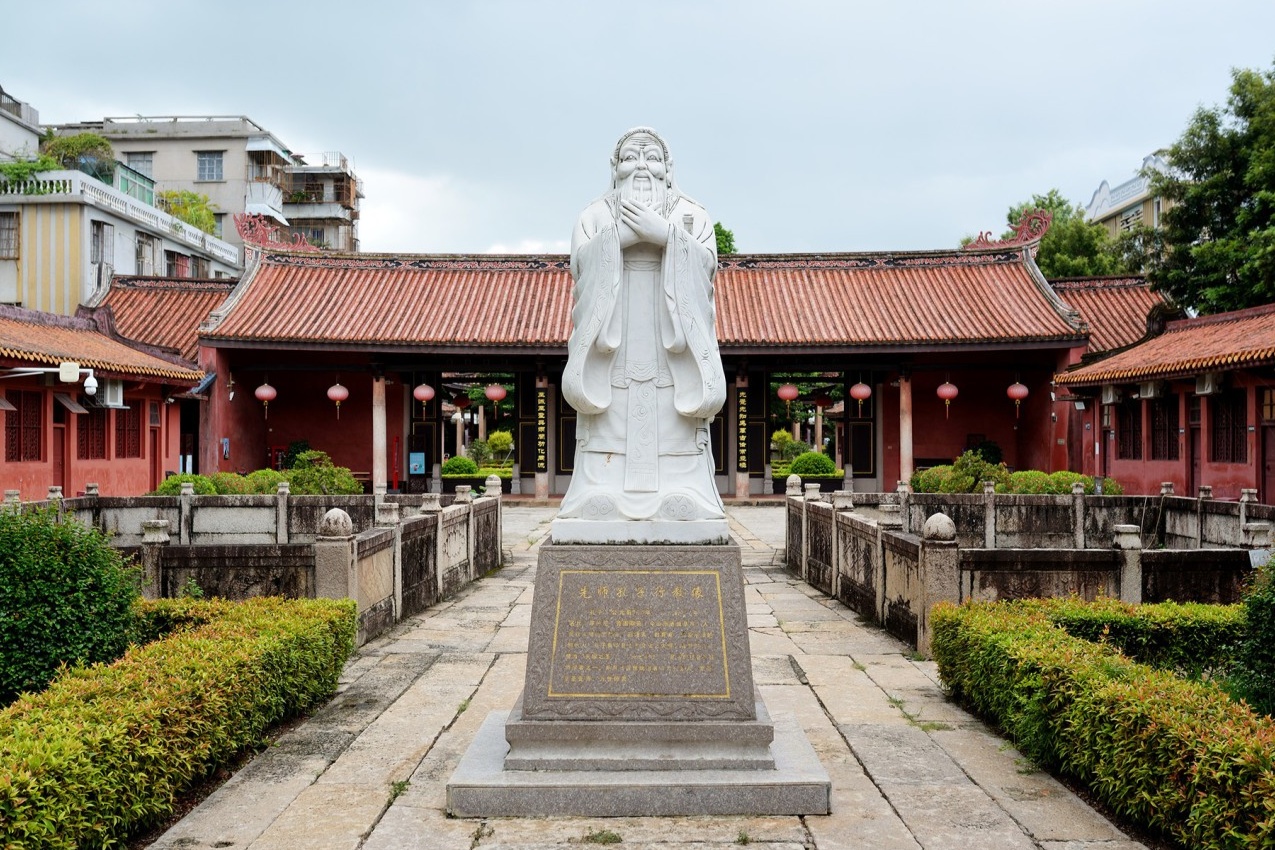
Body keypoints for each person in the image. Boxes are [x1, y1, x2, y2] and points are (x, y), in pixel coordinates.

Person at [556, 128, 726, 526]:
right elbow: (582, 268)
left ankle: (685, 490)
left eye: (652, 158)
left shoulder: (693, 214)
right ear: (615, 168)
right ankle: (598, 489)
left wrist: (667, 235)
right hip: (612, 345)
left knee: (675, 420)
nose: (643, 167)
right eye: (632, 157)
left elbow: (707, 269)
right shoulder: (593, 215)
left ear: (668, 168)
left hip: (672, 347)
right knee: (610, 415)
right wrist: (624, 237)